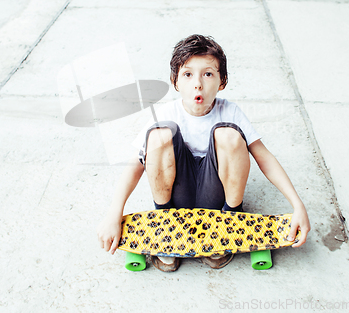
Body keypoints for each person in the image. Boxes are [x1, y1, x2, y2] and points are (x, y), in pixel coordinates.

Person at [97, 34, 311, 272]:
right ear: (175, 82)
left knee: (228, 134)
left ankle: (229, 220)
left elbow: (264, 158)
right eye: (188, 75)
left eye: (208, 74)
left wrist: (297, 205)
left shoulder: (230, 111)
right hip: (177, 197)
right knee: (159, 134)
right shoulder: (167, 112)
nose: (197, 84)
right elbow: (135, 165)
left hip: (217, 199)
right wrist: (114, 213)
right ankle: (166, 223)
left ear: (222, 81)